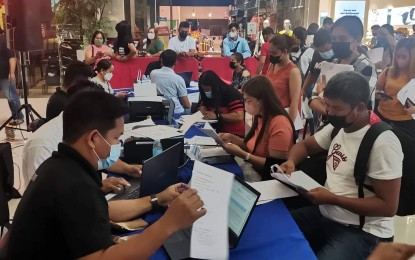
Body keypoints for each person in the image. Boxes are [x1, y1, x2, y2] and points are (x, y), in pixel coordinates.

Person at [8, 91, 206, 259]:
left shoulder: (57, 166)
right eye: (116, 138)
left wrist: (157, 199)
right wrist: (169, 223)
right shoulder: (74, 185)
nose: (117, 146)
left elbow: (101, 210)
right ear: (93, 138)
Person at [280, 71, 402, 259]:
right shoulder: (338, 127)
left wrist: (334, 199)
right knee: (276, 230)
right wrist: (291, 161)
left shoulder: (382, 142)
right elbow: (304, 145)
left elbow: (388, 207)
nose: (329, 113)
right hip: (327, 213)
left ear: (360, 107)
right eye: (327, 105)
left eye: (336, 108)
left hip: (363, 231)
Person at [22, 80, 141, 190]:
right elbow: (53, 198)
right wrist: (154, 200)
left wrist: (128, 169)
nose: (117, 143)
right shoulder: (44, 145)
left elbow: (101, 157)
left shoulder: (83, 131)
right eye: (116, 138)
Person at [218, 76, 295, 182]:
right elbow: (251, 146)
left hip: (269, 179)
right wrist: (231, 138)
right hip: (253, 169)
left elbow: (275, 166)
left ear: (263, 101)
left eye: (249, 101)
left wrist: (243, 155)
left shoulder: (279, 123)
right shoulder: (260, 116)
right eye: (245, 100)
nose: (246, 104)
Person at [309, 16, 377, 116]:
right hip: (325, 126)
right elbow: (312, 100)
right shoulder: (332, 63)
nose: (337, 42)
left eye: (342, 38)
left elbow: (358, 109)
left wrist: (322, 94)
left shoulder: (366, 67)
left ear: (358, 40)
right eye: (334, 39)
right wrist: (335, 109)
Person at [376, 38, 415, 134]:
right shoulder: (388, 71)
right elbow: (377, 90)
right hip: (382, 115)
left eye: (404, 57)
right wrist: (379, 94)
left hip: (405, 121)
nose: (399, 60)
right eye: (397, 56)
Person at [266, 34, 302, 122]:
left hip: (284, 116)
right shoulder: (272, 65)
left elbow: (295, 102)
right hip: (270, 114)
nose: (271, 55)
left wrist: (290, 124)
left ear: (285, 52)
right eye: (270, 52)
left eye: (274, 53)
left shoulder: (293, 71)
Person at [198, 70, 245, 137]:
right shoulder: (206, 95)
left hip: (234, 134)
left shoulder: (231, 94)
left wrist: (218, 116)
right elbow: (203, 105)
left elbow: (239, 116)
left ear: (215, 86)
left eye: (208, 90)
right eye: (204, 90)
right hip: (215, 132)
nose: (206, 92)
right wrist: (203, 108)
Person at [150, 49, 190, 114]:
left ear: (161, 60)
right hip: (176, 111)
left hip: (158, 110)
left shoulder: (153, 73)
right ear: (175, 62)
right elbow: (186, 104)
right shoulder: (179, 79)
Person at [0, 36, 23, 125]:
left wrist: (12, 73)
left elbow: (13, 60)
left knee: (12, 98)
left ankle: (18, 117)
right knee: (11, 98)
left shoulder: (7, 51)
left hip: (6, 77)